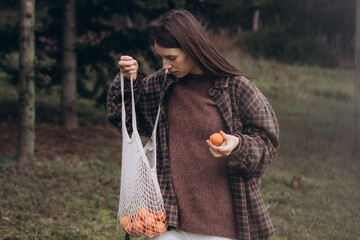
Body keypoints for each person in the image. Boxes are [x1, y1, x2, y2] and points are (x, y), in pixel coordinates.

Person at [107, 9, 280, 240]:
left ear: (192, 49)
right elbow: (126, 119)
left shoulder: (237, 88)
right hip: (170, 223)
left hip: (223, 227)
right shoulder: (163, 84)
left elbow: (266, 145)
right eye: (162, 57)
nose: (165, 65)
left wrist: (237, 146)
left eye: (171, 57)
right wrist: (129, 81)